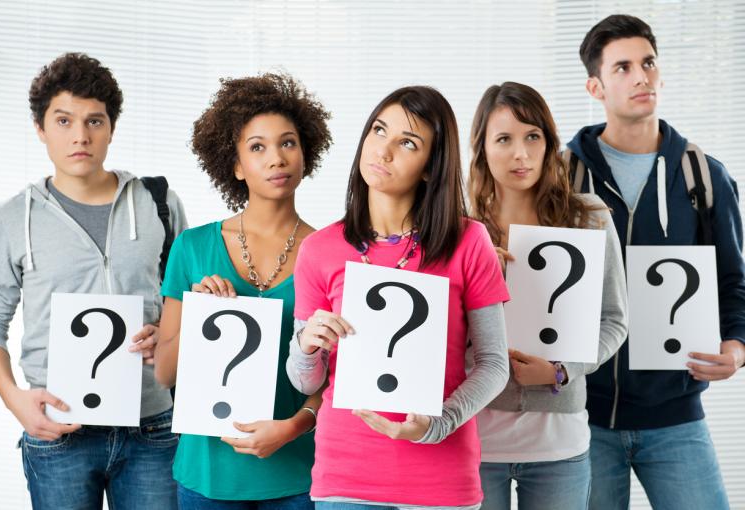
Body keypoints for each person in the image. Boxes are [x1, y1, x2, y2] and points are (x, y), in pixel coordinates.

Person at [0, 52, 187, 509]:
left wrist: (168, 335)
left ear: (111, 128)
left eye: (95, 121)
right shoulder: (14, 217)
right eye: (64, 120)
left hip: (153, 427)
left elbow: (184, 304)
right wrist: (14, 398)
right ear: (40, 128)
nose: (80, 136)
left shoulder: (159, 203)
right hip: (58, 430)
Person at [286, 85, 510, 509]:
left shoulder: (468, 241)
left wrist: (437, 424)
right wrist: (306, 346)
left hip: (440, 479)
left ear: (430, 166)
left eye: (407, 143)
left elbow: (494, 364)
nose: (383, 150)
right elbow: (306, 381)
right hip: (345, 476)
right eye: (378, 130)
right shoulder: (319, 249)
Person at [567, 14, 745, 509]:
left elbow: (733, 281)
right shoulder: (561, 177)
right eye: (623, 67)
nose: (641, 76)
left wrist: (737, 348)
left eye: (648, 63)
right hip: (585, 419)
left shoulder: (702, 175)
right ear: (595, 86)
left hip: (676, 418)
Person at [154, 72, 332, 509]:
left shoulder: (331, 251)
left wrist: (294, 426)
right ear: (234, 165)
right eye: (257, 147)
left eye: (287, 143)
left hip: (300, 475)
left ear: (305, 153)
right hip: (207, 477)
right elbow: (164, 373)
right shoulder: (192, 247)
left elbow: (340, 374)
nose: (276, 158)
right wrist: (199, 312)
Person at [466, 81, 627, 510]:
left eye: (532, 137)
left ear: (548, 144)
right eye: (504, 139)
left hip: (560, 446)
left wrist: (560, 370)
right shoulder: (460, 228)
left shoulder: (588, 217)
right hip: (475, 443)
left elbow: (614, 319)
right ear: (481, 148)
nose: (520, 153)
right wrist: (475, 276)